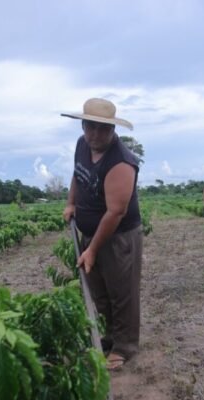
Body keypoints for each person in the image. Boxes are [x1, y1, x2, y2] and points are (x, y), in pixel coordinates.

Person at [61, 98, 142, 371]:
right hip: (90, 232)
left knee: (122, 291)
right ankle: (110, 336)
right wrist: (71, 202)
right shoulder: (82, 145)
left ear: (112, 130)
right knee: (100, 290)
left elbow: (115, 213)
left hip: (119, 236)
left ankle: (125, 346)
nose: (94, 134)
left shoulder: (121, 162)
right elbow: (78, 175)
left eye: (102, 129)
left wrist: (93, 249)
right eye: (89, 127)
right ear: (83, 125)